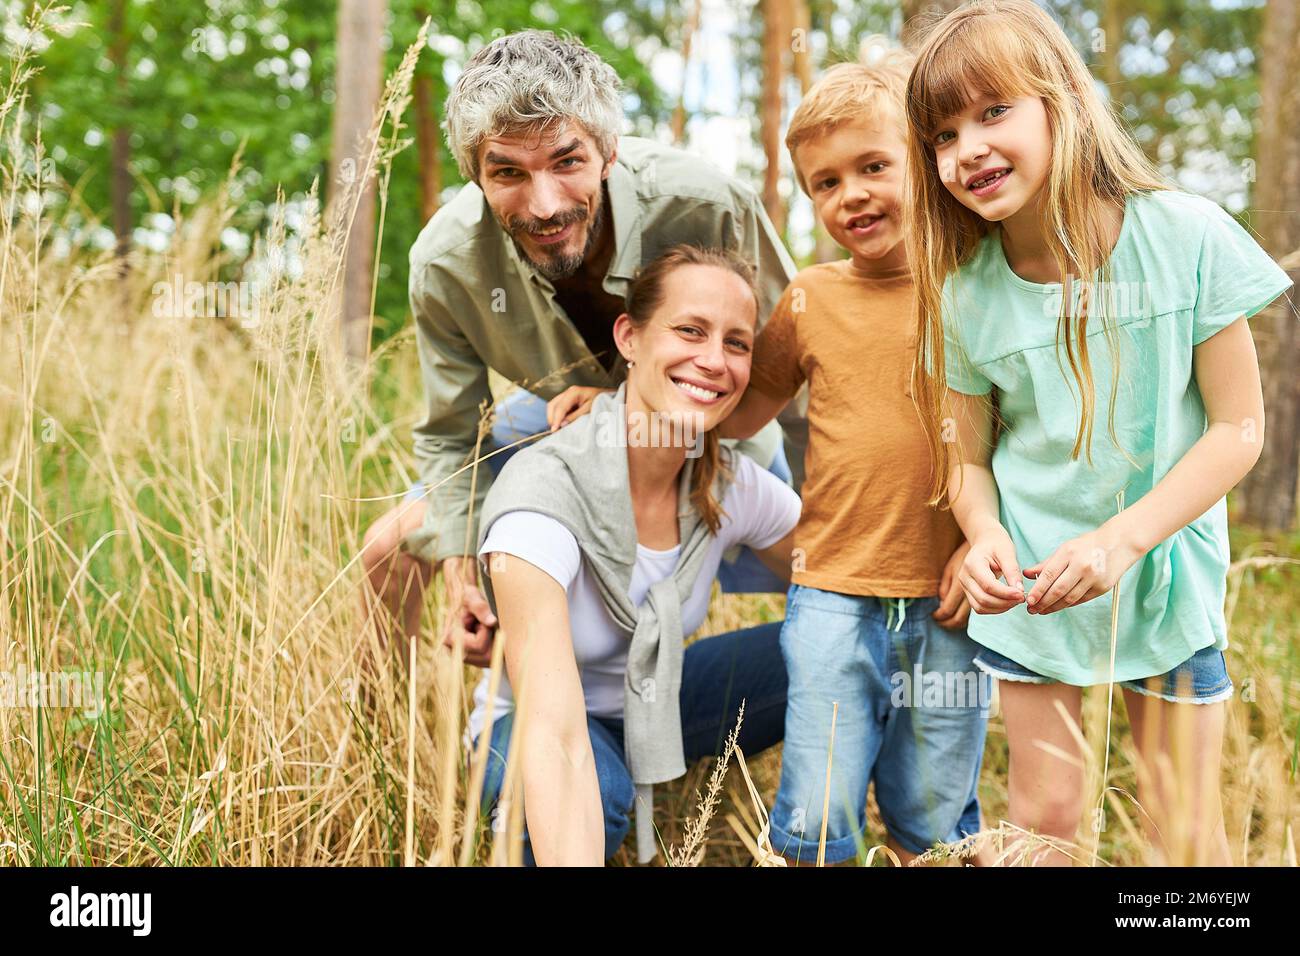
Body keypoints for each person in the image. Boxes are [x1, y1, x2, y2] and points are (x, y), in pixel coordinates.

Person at [906, 0, 1292, 865]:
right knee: (1043, 822)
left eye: (993, 111)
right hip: (1036, 587)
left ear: (1063, 102)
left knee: (1185, 835)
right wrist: (985, 533)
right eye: (943, 134)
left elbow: (1238, 429)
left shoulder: (1184, 235)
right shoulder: (966, 295)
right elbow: (963, 456)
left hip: (1163, 577)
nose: (967, 148)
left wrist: (1122, 541)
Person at [358, 30, 800, 676]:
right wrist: (461, 569)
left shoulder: (706, 204)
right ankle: (378, 754)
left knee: (825, 568)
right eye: (507, 172)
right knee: (386, 548)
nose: (544, 206)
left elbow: (798, 367)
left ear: (609, 152)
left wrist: (623, 411)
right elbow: (453, 438)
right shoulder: (445, 264)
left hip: (713, 425)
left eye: (567, 162)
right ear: (475, 176)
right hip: (554, 420)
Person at [720, 44, 987, 866]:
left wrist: (987, 546)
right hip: (833, 591)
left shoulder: (981, 283)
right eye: (824, 184)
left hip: (953, 597)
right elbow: (737, 412)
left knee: (934, 808)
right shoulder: (810, 297)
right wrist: (634, 399)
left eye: (873, 166)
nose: (851, 196)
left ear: (923, 158)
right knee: (819, 798)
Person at [473, 245, 801, 865]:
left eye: (736, 343)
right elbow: (551, 728)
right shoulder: (542, 495)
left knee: (847, 641)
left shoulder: (730, 482)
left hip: (658, 701)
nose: (713, 361)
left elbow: (847, 573)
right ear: (629, 336)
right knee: (594, 790)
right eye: (689, 330)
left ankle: (848, 847)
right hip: (532, 723)